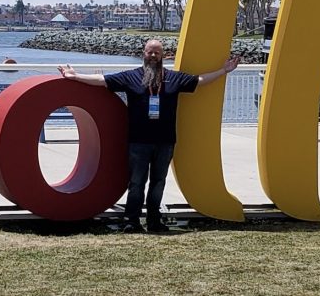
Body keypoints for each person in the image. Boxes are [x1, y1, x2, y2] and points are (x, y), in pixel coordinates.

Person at [57, 40, 240, 232]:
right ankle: (131, 222)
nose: (153, 56)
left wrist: (224, 71)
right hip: (138, 141)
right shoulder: (131, 77)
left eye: (157, 53)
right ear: (143, 53)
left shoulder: (173, 78)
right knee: (136, 183)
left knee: (158, 182)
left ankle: (154, 221)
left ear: (163, 56)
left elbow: (199, 81)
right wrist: (75, 76)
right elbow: (103, 81)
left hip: (165, 141)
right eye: (150, 52)